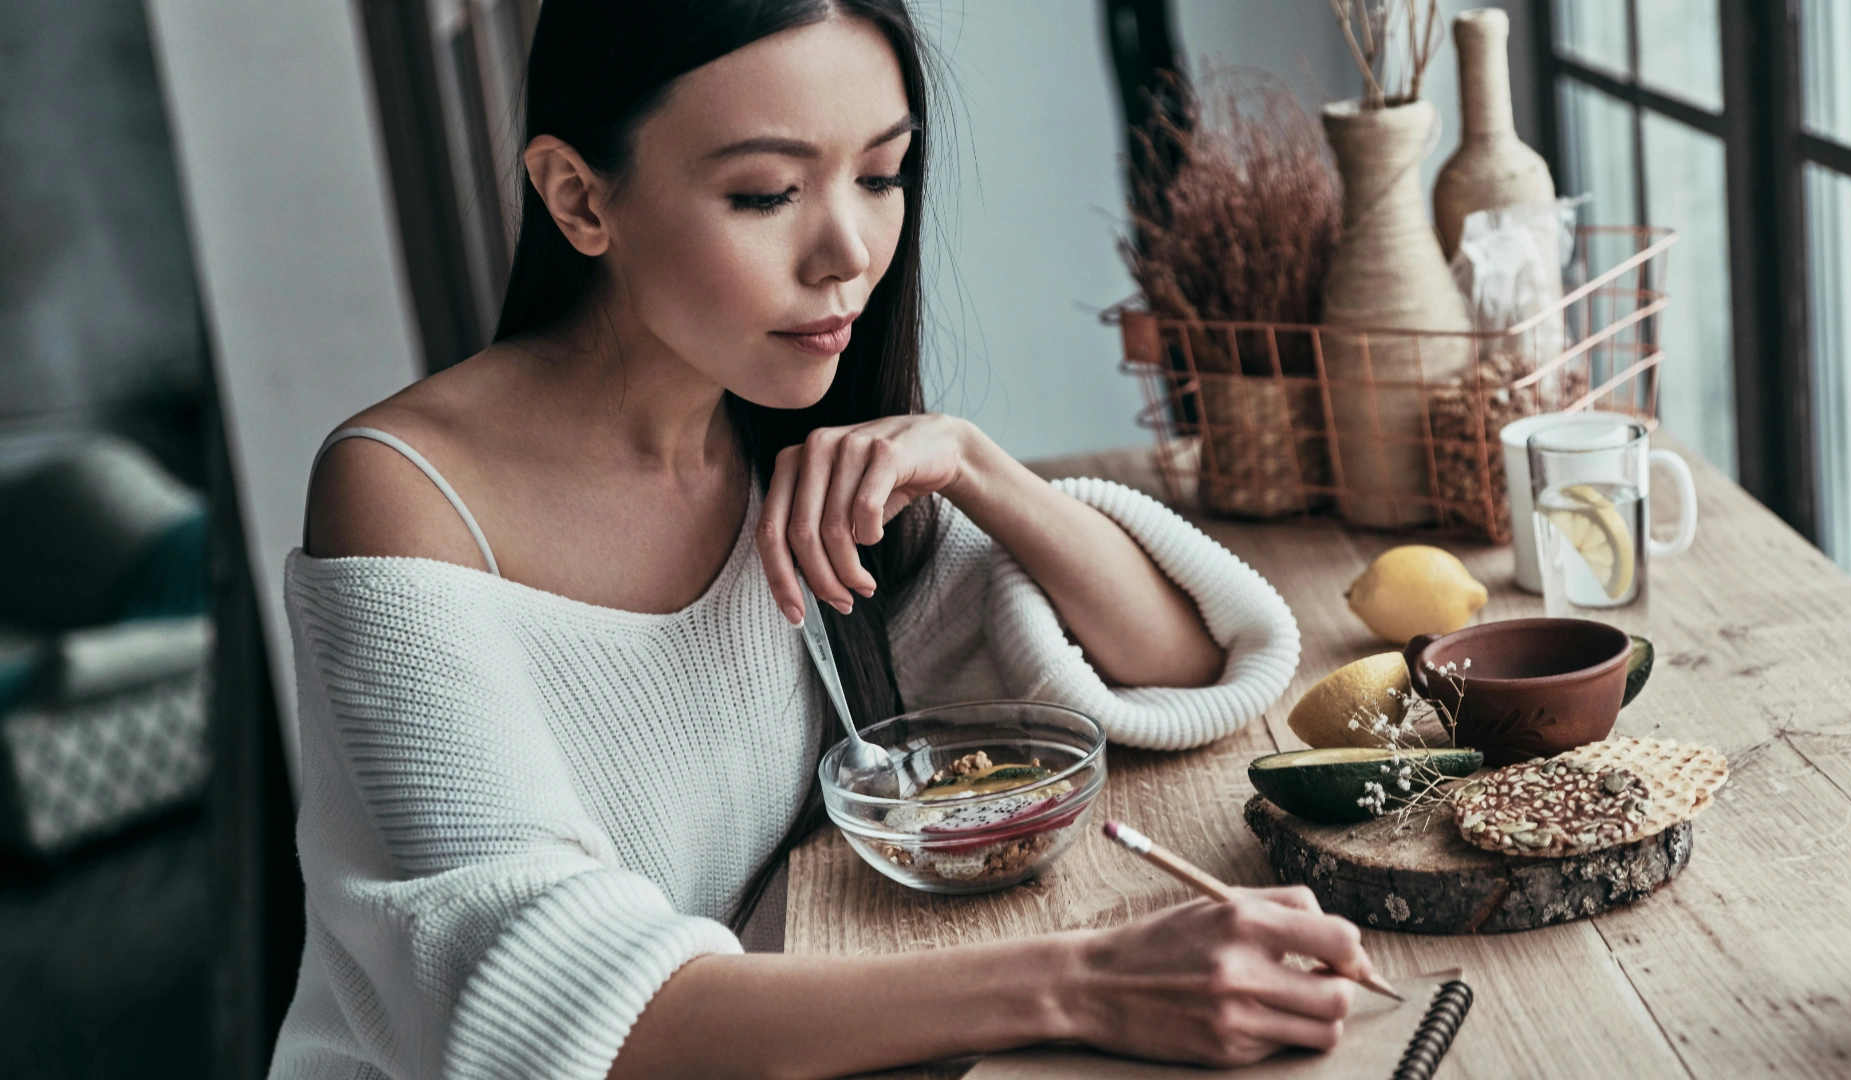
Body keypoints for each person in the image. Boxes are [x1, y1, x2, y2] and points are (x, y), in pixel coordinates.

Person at [274, 2, 1378, 1078]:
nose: (849, 251)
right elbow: (539, 997)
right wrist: (1085, 984)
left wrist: (978, 466)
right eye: (765, 193)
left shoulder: (787, 444)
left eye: (882, 174)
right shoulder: (403, 495)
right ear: (578, 197)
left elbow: (1178, 663)